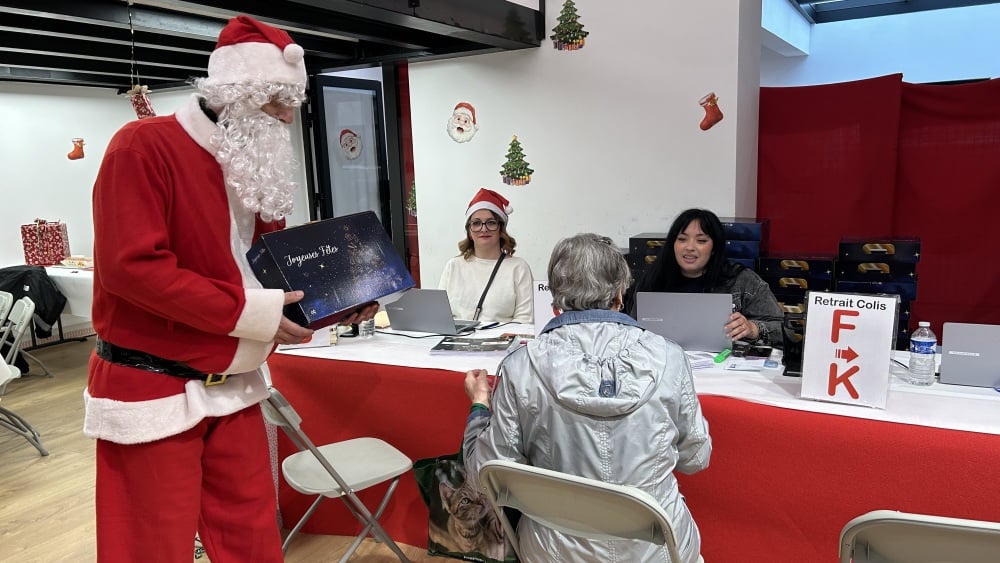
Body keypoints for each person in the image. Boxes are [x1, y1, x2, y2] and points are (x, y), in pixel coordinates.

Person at [83, 15, 376, 562]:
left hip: (235, 386)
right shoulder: (142, 148)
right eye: (274, 103)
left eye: (292, 102)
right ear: (233, 96)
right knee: (148, 548)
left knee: (253, 542)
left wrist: (331, 301)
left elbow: (268, 269)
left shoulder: (248, 164)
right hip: (153, 388)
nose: (288, 117)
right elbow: (133, 269)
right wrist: (256, 314)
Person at [462, 233, 712, 563]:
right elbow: (696, 458)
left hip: (553, 552)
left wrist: (480, 405)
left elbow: (484, 477)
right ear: (620, 294)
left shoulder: (520, 366)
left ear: (555, 297)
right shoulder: (671, 358)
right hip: (656, 550)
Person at [630, 208, 786, 348]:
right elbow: (631, 331)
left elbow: (784, 331)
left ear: (714, 248)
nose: (689, 247)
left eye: (701, 241)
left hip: (724, 371)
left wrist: (753, 329)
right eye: (682, 239)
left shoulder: (742, 280)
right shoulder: (654, 279)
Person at [438, 188, 533, 323]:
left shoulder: (518, 268)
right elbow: (440, 316)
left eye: (491, 222)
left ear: (501, 229)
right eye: (476, 223)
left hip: (502, 343)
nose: (484, 228)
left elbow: (525, 319)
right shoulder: (453, 266)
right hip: (456, 342)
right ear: (470, 232)